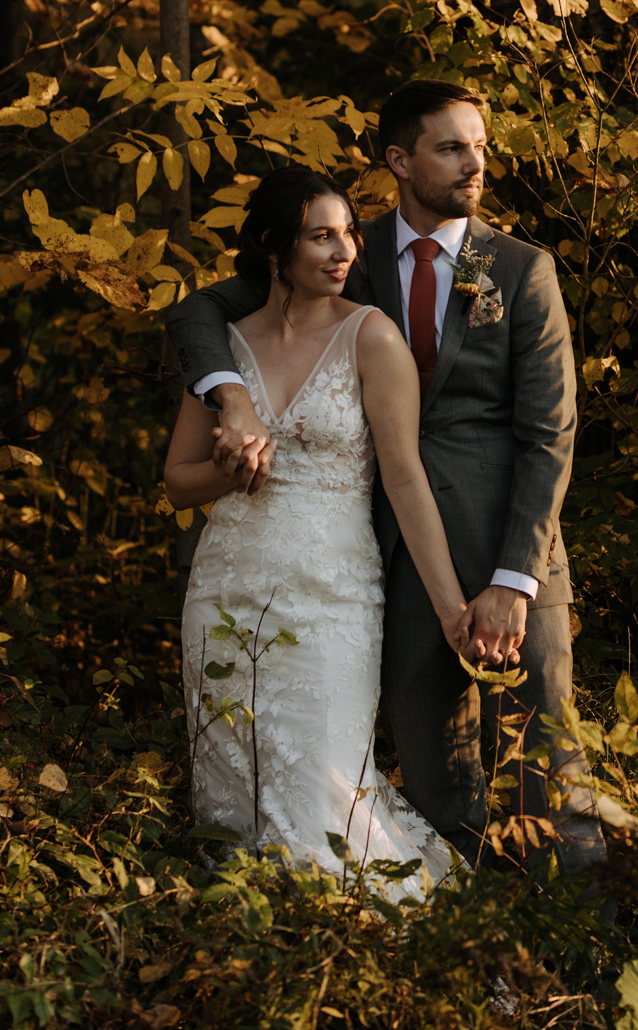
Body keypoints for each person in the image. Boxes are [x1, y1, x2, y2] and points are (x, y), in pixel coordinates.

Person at [166, 79, 606, 878]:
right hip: (386, 559)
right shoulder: (347, 252)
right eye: (452, 147)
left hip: (508, 552)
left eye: (479, 146)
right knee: (436, 783)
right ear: (400, 160)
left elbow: (550, 435)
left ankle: (586, 938)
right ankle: (463, 937)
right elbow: (200, 312)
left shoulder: (519, 268)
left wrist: (515, 579)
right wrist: (231, 395)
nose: (475, 164)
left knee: (548, 771)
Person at [164, 166, 468, 891]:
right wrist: (231, 471)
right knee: (233, 797)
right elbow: (177, 482)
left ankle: (368, 943)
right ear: (275, 247)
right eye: (320, 236)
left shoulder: (372, 336)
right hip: (225, 592)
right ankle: (255, 943)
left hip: (330, 601)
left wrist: (451, 607)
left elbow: (404, 480)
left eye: (349, 234)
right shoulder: (225, 346)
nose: (343, 252)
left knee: (323, 790)